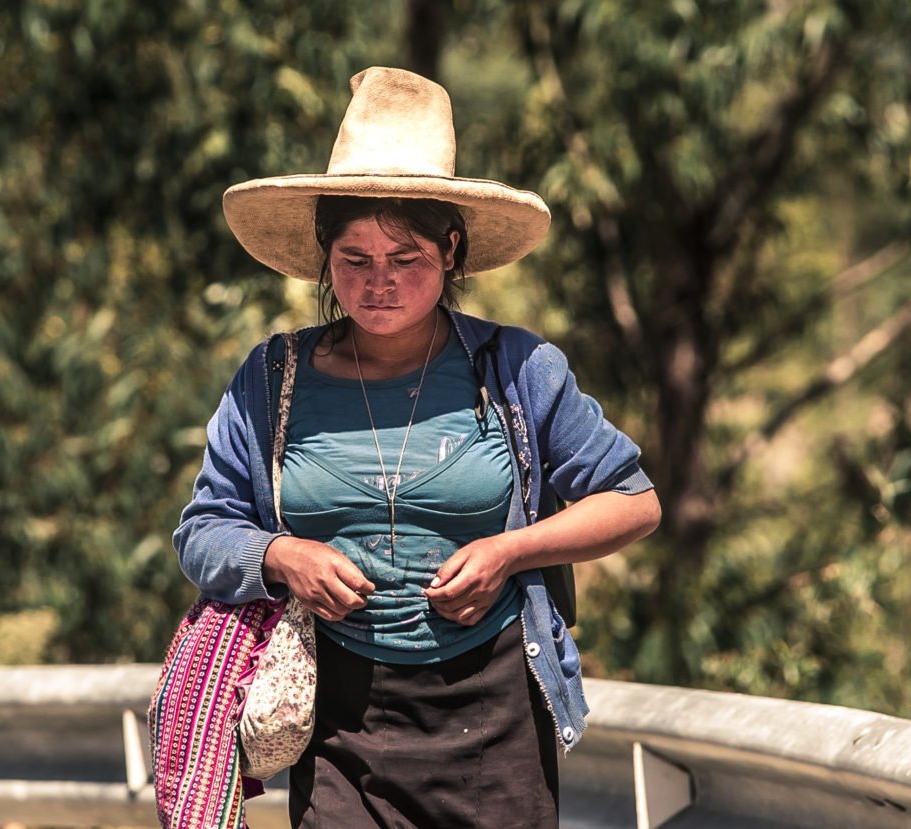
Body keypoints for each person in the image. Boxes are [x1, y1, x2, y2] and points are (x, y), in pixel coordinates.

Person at [173, 66, 661, 829]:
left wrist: (511, 552)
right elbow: (202, 532)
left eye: (407, 260)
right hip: (340, 721)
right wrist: (281, 557)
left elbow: (634, 502)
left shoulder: (518, 370)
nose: (379, 284)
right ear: (322, 255)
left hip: (493, 717)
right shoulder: (272, 381)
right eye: (355, 260)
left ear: (452, 250)